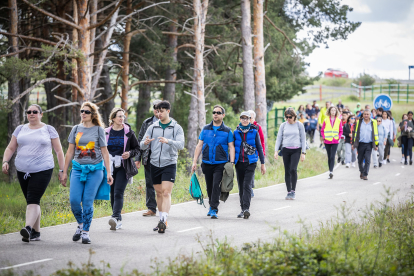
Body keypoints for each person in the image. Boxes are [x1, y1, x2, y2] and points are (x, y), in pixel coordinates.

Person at [2, 104, 65, 243]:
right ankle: (36, 233)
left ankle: (28, 228)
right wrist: (5, 161)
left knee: (33, 199)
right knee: (32, 201)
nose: (31, 113)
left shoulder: (48, 129)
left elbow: (59, 151)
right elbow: (11, 148)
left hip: (43, 169)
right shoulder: (20, 129)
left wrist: (62, 170)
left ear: (41, 114)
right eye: (28, 111)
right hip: (22, 170)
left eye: (34, 112)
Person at [61, 102, 114, 244]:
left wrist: (109, 172)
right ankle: (80, 225)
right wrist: (64, 172)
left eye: (86, 111)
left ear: (93, 115)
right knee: (74, 201)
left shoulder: (99, 130)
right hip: (78, 169)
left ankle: (85, 233)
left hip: (95, 170)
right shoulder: (76, 129)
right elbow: (70, 151)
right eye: (82, 111)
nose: (83, 113)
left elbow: (105, 152)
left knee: (87, 201)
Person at [140, 100, 184, 233]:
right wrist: (145, 143)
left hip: (169, 163)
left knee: (166, 192)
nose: (159, 114)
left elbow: (181, 145)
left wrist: (168, 141)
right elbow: (141, 144)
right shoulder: (152, 127)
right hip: (154, 163)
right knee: (158, 193)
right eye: (157, 111)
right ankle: (161, 220)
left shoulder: (176, 128)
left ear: (168, 111)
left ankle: (164, 219)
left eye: (162, 111)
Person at [191, 105, 235, 219]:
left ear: (223, 115)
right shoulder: (205, 129)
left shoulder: (227, 131)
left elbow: (231, 147)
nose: (215, 114)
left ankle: (214, 208)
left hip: (220, 163)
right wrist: (194, 161)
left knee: (216, 185)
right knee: (209, 186)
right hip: (206, 162)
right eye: (214, 112)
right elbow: (199, 145)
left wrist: (232, 162)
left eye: (218, 112)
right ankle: (211, 205)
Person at [105, 108, 140, 230]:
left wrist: (130, 153)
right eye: (119, 116)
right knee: (112, 192)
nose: (122, 119)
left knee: (118, 191)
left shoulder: (129, 132)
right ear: (113, 118)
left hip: (123, 166)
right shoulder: (106, 132)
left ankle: (114, 217)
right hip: (110, 166)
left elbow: (137, 148)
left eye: (123, 116)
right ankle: (118, 219)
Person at [233, 112, 266, 219]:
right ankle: (242, 209)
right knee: (241, 186)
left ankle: (246, 208)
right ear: (240, 119)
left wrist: (262, 163)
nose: (245, 120)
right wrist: (230, 161)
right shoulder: (236, 132)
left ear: (250, 119)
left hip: (251, 162)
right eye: (243, 118)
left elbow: (259, 148)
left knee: (247, 185)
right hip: (239, 163)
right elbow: (232, 147)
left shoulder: (254, 132)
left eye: (247, 118)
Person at [135, 100, 161, 217]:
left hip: (163, 158)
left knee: (161, 184)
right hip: (148, 157)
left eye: (159, 107)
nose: (157, 110)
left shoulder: (169, 123)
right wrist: (137, 158)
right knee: (150, 183)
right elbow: (140, 139)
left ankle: (163, 208)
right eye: (155, 107)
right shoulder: (147, 122)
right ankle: (151, 208)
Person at [274, 108, 307, 200]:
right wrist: (276, 151)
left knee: (293, 169)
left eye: (290, 117)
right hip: (285, 149)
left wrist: (303, 152)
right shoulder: (283, 125)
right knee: (287, 170)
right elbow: (279, 138)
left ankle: (293, 190)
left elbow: (303, 139)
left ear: (294, 116)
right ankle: (289, 191)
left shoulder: (299, 125)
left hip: (296, 150)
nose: (288, 119)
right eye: (286, 117)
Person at [352, 109, 379, 180]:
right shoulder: (359, 122)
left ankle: (365, 174)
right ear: (363, 115)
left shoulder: (374, 122)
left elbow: (376, 133)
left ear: (370, 115)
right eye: (365, 114)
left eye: (368, 114)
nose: (366, 115)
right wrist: (353, 144)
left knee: (367, 159)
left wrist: (376, 145)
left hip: (369, 144)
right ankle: (361, 171)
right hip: (360, 143)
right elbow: (355, 133)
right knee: (360, 159)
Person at [321, 106, 343, 179]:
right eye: (332, 110)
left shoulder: (339, 120)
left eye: (334, 110)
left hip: (335, 140)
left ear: (336, 112)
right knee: (329, 156)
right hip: (327, 140)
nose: (333, 111)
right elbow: (322, 130)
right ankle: (330, 170)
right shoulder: (326, 120)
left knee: (332, 156)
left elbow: (340, 131)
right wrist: (324, 137)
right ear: (329, 111)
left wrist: (338, 137)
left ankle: (331, 171)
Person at [248, 110, 265, 198]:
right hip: (243, 153)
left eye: (251, 117)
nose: (249, 119)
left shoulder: (257, 127)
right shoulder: (241, 127)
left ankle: (250, 187)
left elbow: (262, 141)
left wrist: (262, 153)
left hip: (254, 153)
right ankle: (248, 187)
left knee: (251, 170)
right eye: (248, 117)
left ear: (254, 118)